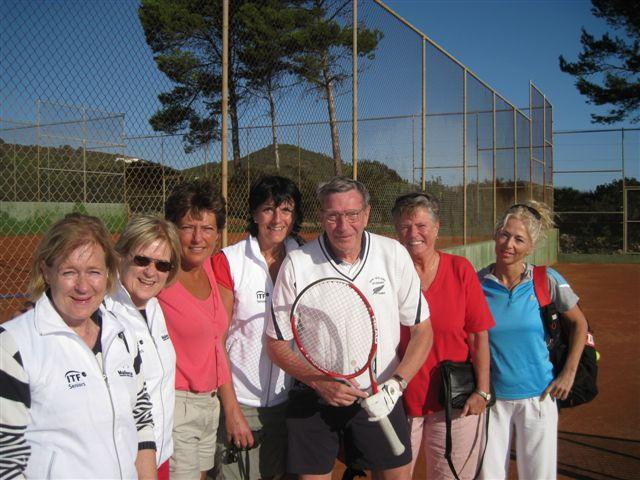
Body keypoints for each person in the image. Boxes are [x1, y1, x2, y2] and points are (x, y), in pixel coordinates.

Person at [266, 177, 433, 480]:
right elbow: (276, 344)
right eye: (333, 216)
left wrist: (396, 385)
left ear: (366, 214)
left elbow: (422, 330)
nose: (343, 225)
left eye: (352, 214)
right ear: (322, 218)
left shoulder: (392, 254)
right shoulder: (297, 264)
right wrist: (318, 381)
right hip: (315, 395)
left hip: (380, 392)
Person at [0, 213, 157, 479]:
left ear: (108, 273)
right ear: (46, 271)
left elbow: (141, 420)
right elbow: (5, 460)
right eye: (69, 272)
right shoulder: (13, 346)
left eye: (94, 272)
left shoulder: (121, 334)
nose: (83, 286)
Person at [478, 201, 589, 479]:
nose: (509, 244)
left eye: (519, 239)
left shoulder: (546, 280)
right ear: (495, 234)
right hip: (491, 401)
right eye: (504, 234)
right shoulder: (477, 283)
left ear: (531, 246)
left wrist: (568, 374)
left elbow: (579, 323)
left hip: (539, 397)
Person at [391, 192, 494, 479]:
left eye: (421, 225)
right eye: (405, 226)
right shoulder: (388, 274)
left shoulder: (460, 269)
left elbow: (477, 336)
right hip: (398, 400)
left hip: (454, 401)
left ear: (436, 228)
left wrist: (482, 390)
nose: (413, 234)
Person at [212, 175, 304, 479]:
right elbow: (217, 339)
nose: (277, 219)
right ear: (253, 214)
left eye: (286, 210)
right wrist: (232, 410)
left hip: (286, 402)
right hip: (242, 403)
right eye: (267, 209)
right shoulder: (229, 261)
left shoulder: (304, 260)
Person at [159, 180, 230, 480]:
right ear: (173, 229)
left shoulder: (210, 271)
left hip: (209, 406)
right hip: (176, 406)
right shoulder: (160, 274)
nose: (198, 237)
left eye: (208, 228)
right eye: (188, 227)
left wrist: (231, 409)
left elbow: (217, 345)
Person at [104, 214, 181, 479]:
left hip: (159, 455)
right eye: (141, 260)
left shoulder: (155, 307)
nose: (151, 272)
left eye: (162, 265)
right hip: (122, 464)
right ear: (121, 256)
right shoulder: (103, 312)